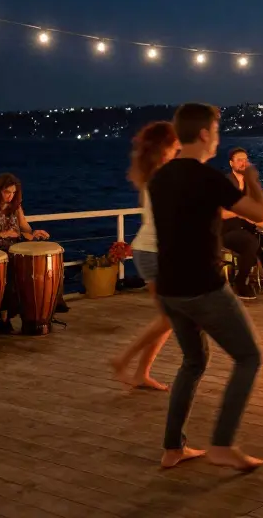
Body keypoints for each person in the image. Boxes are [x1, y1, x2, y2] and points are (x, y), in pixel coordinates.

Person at [150, 103, 263, 471]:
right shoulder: (207, 178)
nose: (217, 137)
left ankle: (173, 447)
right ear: (204, 134)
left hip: (169, 288)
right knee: (249, 357)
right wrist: (250, 177)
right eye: (216, 131)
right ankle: (222, 443)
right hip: (204, 287)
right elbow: (261, 214)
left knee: (193, 360)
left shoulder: (160, 178)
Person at [109, 121, 180, 391]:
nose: (178, 148)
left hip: (151, 250)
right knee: (171, 317)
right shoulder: (162, 176)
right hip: (154, 252)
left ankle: (141, 373)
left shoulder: (157, 174)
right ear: (165, 147)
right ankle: (123, 359)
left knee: (169, 318)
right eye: (175, 144)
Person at [0, 173, 51, 334]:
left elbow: (25, 228)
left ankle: (38, 314)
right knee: (11, 273)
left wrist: (35, 233)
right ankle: (4, 317)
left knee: (37, 270)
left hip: (15, 249)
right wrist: (2, 234)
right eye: (7, 192)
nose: (10, 196)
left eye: (13, 193)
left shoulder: (16, 208)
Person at [222, 147, 263, 297]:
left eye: (245, 160)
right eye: (239, 160)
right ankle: (240, 282)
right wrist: (242, 215)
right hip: (227, 230)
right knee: (251, 243)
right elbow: (220, 213)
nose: (243, 163)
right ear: (231, 163)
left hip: (246, 229)